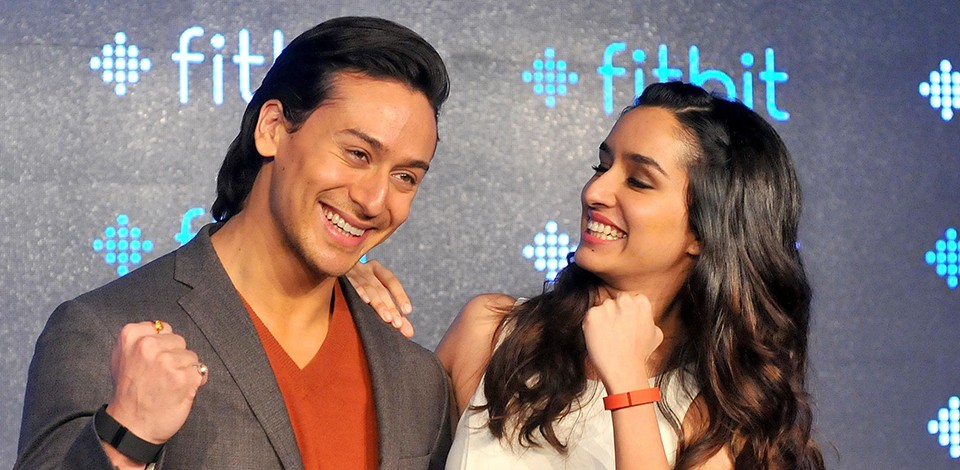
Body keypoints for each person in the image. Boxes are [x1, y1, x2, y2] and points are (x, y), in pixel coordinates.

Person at [16, 16, 453, 470]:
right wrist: (128, 437)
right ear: (273, 128)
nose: (374, 200)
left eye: (405, 177)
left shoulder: (419, 382)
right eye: (357, 154)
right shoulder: (103, 332)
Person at [351, 81, 825, 469]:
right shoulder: (493, 333)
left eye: (638, 181)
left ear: (705, 230)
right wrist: (333, 295)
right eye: (602, 166)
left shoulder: (718, 421)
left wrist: (629, 382)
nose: (595, 190)